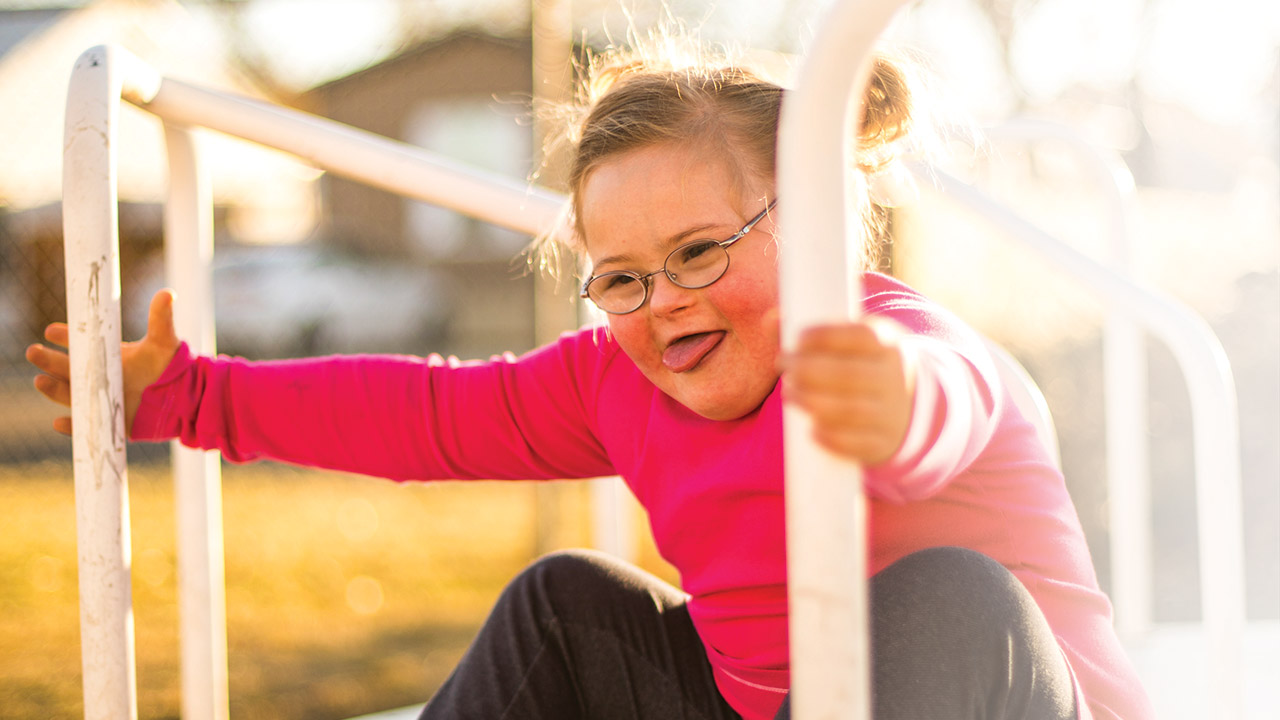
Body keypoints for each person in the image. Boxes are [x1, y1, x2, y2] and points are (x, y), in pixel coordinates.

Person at [28, 37, 1153, 720]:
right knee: (565, 602)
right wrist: (190, 394)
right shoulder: (622, 378)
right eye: (620, 276)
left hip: (1008, 701)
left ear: (814, 223)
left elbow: (960, 399)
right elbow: (424, 414)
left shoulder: (895, 348)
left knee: (955, 597)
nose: (663, 298)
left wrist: (891, 403)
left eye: (700, 251)